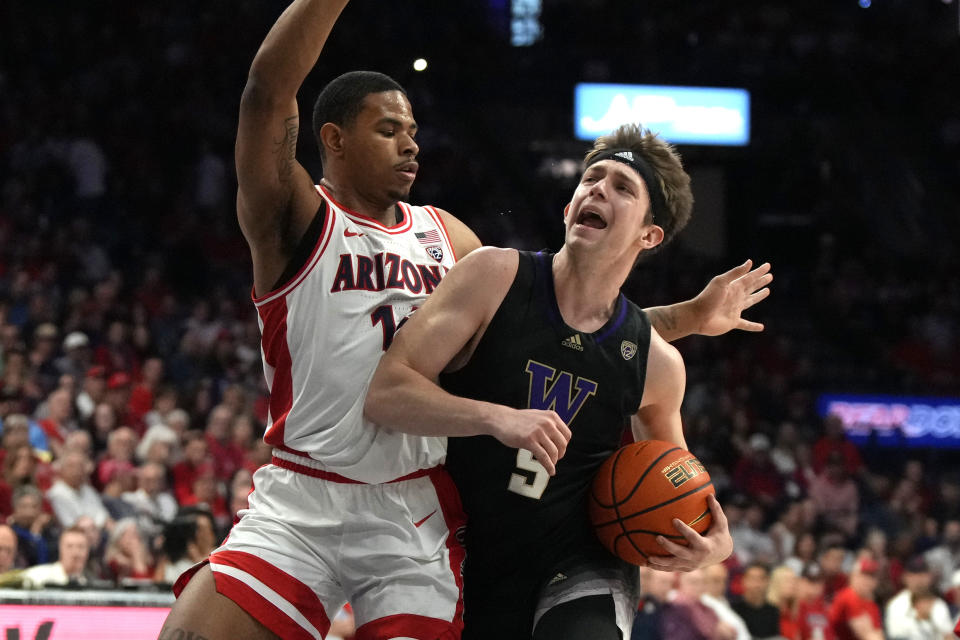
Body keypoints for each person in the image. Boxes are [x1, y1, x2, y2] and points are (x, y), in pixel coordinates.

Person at [161, 2, 773, 638]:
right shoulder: (297, 219)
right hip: (304, 491)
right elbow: (266, 91)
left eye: (414, 131)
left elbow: (558, 330)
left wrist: (687, 318)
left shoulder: (449, 238)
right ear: (334, 139)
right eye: (389, 129)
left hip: (413, 504)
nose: (410, 143)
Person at [366, 123, 747, 638]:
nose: (598, 189)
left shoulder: (657, 364)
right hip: (458, 549)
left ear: (649, 235)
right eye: (592, 179)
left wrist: (715, 543)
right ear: (569, 209)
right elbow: (386, 393)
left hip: (581, 560)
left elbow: (679, 481)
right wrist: (495, 418)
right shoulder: (494, 277)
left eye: (622, 187)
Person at [884, 556, 954, 640]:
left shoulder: (939, 604)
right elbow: (896, 637)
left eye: (922, 574)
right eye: (914, 575)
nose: (919, 579)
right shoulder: (896, 605)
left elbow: (949, 636)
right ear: (905, 577)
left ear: (929, 577)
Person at [827, 557, 883, 640]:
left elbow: (878, 633)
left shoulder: (872, 605)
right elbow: (866, 635)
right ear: (853, 576)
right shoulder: (848, 596)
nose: (867, 580)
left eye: (871, 577)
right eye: (863, 575)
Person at [731, 562, 782, 639]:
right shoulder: (733, 609)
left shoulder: (773, 610)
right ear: (744, 581)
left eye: (761, 579)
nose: (756, 584)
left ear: (768, 582)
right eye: (752, 578)